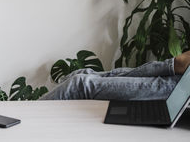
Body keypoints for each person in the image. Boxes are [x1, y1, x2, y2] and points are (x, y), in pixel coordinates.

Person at [41, 51, 190, 101]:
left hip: (179, 88)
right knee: (81, 73)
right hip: (182, 79)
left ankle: (26, 122)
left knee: (79, 84)